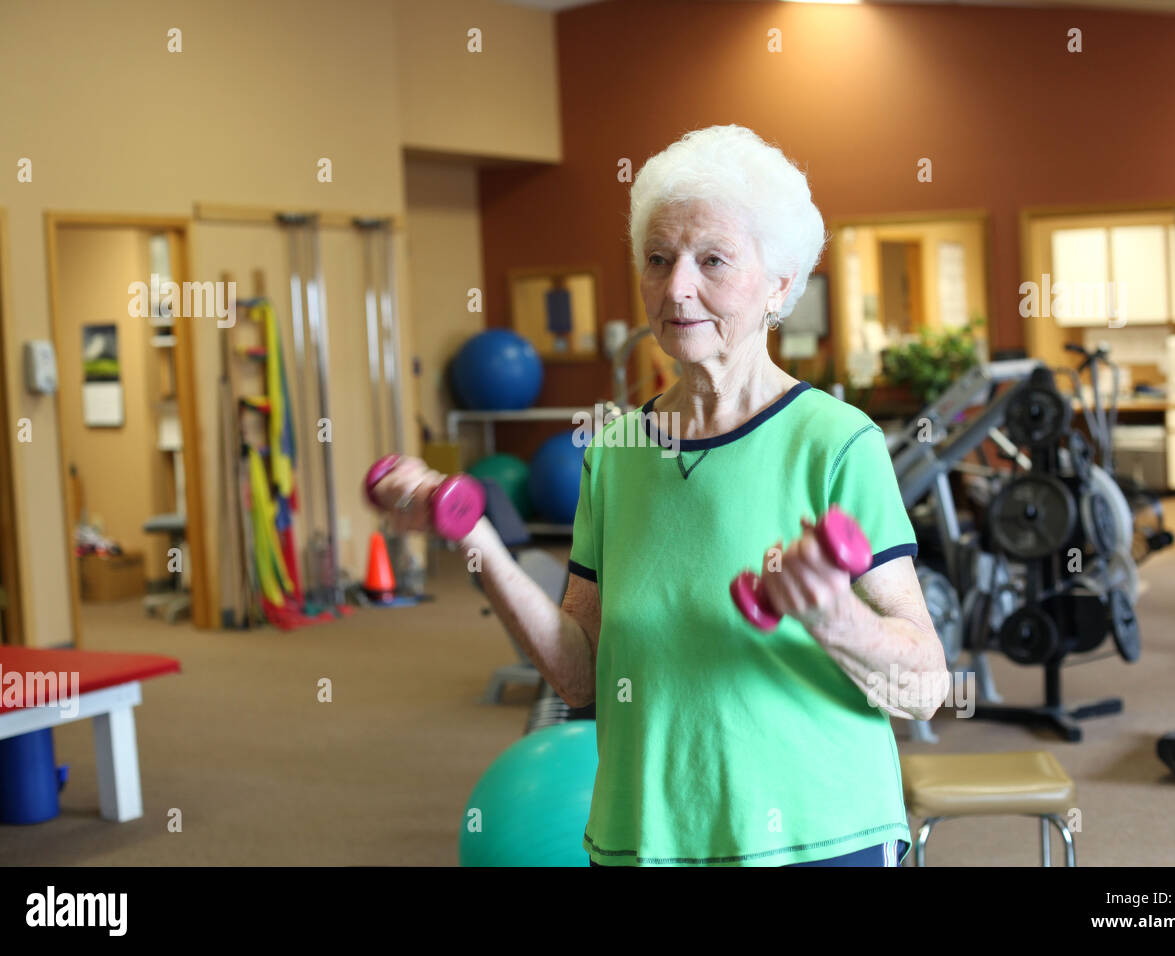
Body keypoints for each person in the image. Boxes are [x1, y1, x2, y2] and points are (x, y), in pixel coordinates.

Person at [372, 124, 947, 867]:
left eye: (712, 260)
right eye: (657, 259)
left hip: (813, 836)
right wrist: (473, 538)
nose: (677, 288)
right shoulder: (614, 452)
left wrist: (835, 618)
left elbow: (927, 685)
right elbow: (580, 672)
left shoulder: (836, 443)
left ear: (779, 283)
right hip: (646, 837)